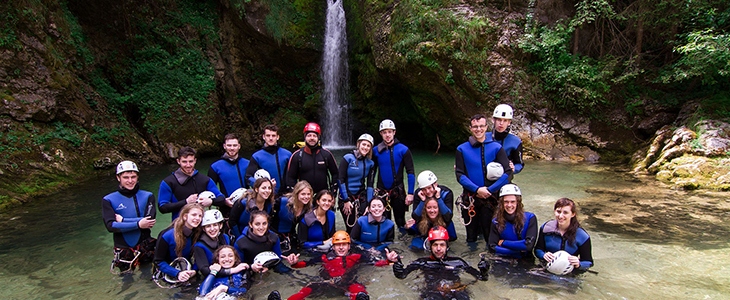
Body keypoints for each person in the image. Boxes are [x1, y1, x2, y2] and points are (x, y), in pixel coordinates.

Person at [270, 231, 399, 300]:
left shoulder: (357, 256)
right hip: (326, 282)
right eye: (338, 244)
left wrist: (388, 261)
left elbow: (375, 264)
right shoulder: (324, 257)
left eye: (344, 244)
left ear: (349, 246)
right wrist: (294, 263)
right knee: (306, 290)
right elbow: (305, 264)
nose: (341, 247)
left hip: (348, 282)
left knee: (360, 292)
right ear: (333, 246)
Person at [455, 114, 512, 243]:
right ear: (470, 128)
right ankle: (471, 258)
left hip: (490, 198)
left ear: (486, 127)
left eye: (481, 126)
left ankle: (489, 260)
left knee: (489, 235)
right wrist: (477, 189)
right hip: (470, 198)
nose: (478, 129)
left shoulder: (497, 148)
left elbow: (508, 173)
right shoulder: (461, 149)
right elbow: (460, 175)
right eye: (475, 126)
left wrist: (490, 190)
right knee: (471, 237)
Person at [393, 226, 489, 299]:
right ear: (430, 246)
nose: (438, 249)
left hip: (455, 290)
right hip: (432, 293)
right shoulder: (422, 262)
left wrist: (484, 271)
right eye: (435, 245)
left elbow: (481, 278)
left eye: (442, 245)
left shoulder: (458, 262)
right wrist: (397, 267)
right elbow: (402, 275)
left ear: (447, 246)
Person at [102, 160, 157, 273]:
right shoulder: (108, 200)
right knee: (126, 282)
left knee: (148, 276)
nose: (130, 181)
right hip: (123, 247)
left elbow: (149, 221)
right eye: (126, 177)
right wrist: (138, 224)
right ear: (118, 178)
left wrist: (123, 220)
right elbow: (110, 226)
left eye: (133, 177)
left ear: (137, 177)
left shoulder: (148, 196)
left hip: (145, 244)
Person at [158, 146, 226, 221]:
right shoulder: (168, 182)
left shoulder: (205, 180)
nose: (188, 165)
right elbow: (162, 207)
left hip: (202, 224)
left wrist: (211, 201)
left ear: (195, 161)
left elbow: (221, 199)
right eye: (184, 162)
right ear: (178, 161)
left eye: (191, 161)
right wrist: (186, 202)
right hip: (180, 226)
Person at [372, 119, 415, 228]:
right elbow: (372, 172)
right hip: (382, 192)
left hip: (398, 191)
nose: (387, 135)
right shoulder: (376, 151)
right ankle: (386, 243)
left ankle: (403, 243)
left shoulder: (403, 150)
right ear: (381, 134)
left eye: (390, 132)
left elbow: (410, 172)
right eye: (385, 132)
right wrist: (370, 192)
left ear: (394, 132)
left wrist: (410, 193)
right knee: (383, 221)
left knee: (400, 220)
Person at [534, 198, 593, 273]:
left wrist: (579, 264)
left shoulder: (582, 236)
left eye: (565, 212)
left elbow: (589, 262)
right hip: (546, 268)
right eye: (558, 212)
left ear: (573, 214)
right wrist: (543, 255)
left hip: (569, 272)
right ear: (554, 211)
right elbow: (537, 249)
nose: (561, 216)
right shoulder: (546, 228)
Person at [233, 210, 299, 274]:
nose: (261, 227)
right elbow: (238, 266)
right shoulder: (240, 243)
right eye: (257, 224)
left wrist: (290, 260)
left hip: (271, 265)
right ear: (250, 224)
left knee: (292, 275)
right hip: (250, 270)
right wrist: (251, 267)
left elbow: (278, 258)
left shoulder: (273, 237)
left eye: (264, 224)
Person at [153, 203, 203, 284]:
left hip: (187, 269)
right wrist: (177, 274)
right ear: (185, 216)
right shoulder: (167, 235)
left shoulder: (198, 232)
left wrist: (194, 270)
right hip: (168, 271)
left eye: (200, 216)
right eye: (194, 215)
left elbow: (200, 255)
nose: (197, 218)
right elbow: (158, 261)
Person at [286, 122, 339, 195]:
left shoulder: (326, 154)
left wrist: (333, 192)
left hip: (322, 196)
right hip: (304, 196)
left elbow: (335, 173)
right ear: (305, 137)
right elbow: (290, 178)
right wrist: (294, 195)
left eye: (314, 136)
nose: (312, 138)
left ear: (318, 138)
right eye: (309, 135)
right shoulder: (297, 156)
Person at [338, 134, 376, 233]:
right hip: (347, 197)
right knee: (351, 227)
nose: (365, 147)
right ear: (358, 144)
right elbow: (340, 179)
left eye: (368, 146)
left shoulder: (370, 163)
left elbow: (370, 185)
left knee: (363, 224)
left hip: (361, 197)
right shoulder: (348, 158)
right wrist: (345, 200)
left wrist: (369, 204)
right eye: (364, 144)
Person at [488, 184, 537, 260]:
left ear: (518, 202)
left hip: (525, 260)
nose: (509, 205)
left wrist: (504, 243)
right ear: (501, 203)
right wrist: (518, 251)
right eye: (506, 202)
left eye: (512, 202)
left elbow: (529, 246)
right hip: (503, 259)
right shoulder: (496, 222)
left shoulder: (530, 218)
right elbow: (492, 247)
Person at [208, 133, 250, 216]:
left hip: (246, 206)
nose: (232, 148)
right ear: (224, 146)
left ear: (239, 146)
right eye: (229, 145)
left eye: (234, 145)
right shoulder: (215, 167)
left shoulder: (247, 164)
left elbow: (256, 184)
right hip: (226, 208)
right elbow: (210, 190)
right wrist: (223, 201)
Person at [245, 125, 292, 196]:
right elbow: (248, 177)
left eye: (273, 136)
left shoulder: (287, 154)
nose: (271, 138)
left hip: (286, 194)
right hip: (265, 195)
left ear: (278, 137)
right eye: (268, 135)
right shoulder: (257, 156)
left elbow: (294, 175)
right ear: (263, 137)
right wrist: (262, 184)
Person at [270, 181, 313, 253]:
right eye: (303, 194)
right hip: (273, 234)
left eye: (308, 194)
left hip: (290, 236)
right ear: (296, 194)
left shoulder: (308, 207)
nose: (306, 197)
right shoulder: (282, 201)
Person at [193, 209, 237, 277]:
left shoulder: (225, 237)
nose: (212, 229)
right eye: (208, 226)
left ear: (221, 225)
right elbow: (204, 270)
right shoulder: (199, 246)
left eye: (215, 225)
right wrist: (230, 271)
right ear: (204, 229)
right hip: (213, 277)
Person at [485, 104, 524, 177]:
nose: (501, 123)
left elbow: (519, 164)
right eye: (499, 120)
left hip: (504, 177)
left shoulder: (515, 142)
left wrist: (514, 168)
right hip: (484, 177)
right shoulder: (484, 137)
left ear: (509, 122)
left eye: (505, 120)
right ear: (493, 120)